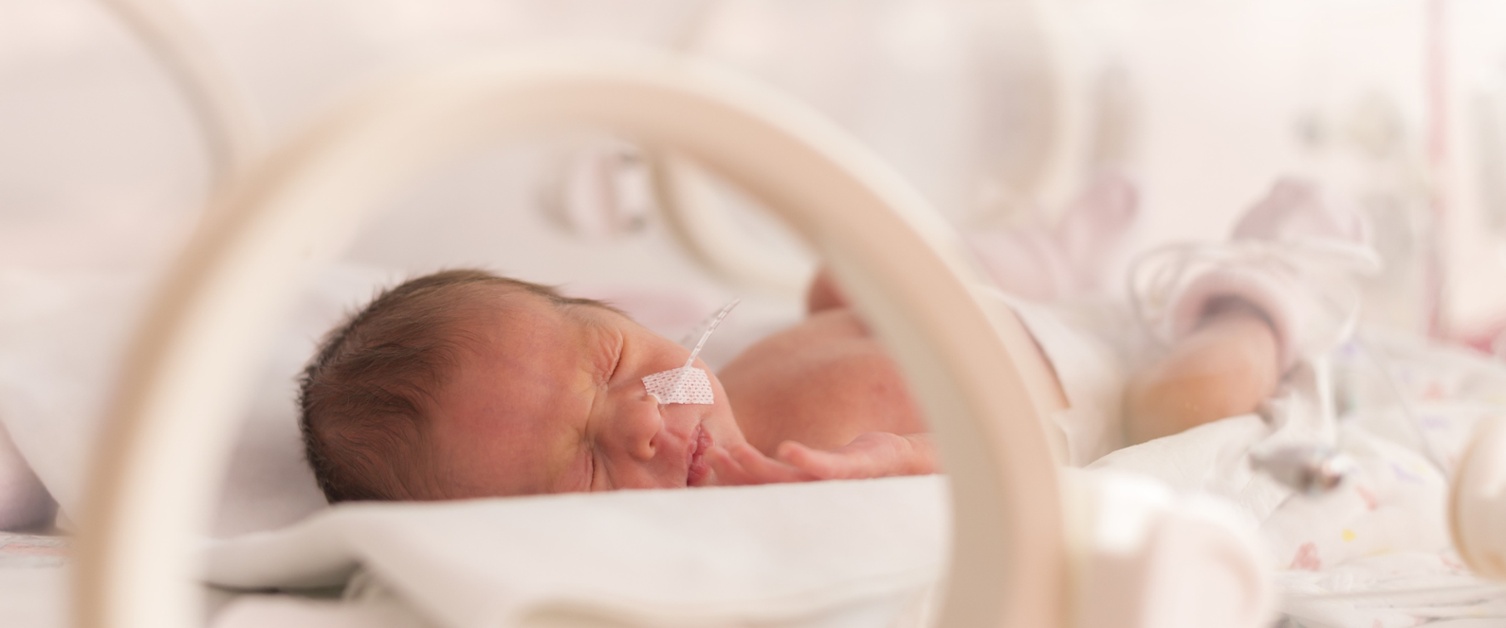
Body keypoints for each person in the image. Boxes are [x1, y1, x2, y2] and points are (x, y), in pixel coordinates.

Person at [298, 177, 1363, 503]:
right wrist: (906, 469)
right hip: (1106, 389)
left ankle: (1046, 253)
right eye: (580, 461)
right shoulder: (785, 488)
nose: (643, 418)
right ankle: (1265, 286)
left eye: (615, 363)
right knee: (1197, 402)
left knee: (835, 281)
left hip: (999, 318)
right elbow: (1019, 485)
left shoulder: (699, 357)